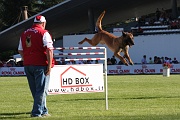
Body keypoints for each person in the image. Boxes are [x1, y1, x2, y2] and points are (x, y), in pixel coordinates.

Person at [18, 15, 54, 118]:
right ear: (43, 23)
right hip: (40, 64)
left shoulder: (24, 33)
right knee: (42, 90)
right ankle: (37, 112)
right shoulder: (44, 33)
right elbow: (49, 49)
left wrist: (26, 58)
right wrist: (50, 65)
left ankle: (43, 110)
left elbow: (20, 49)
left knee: (35, 90)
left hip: (28, 65)